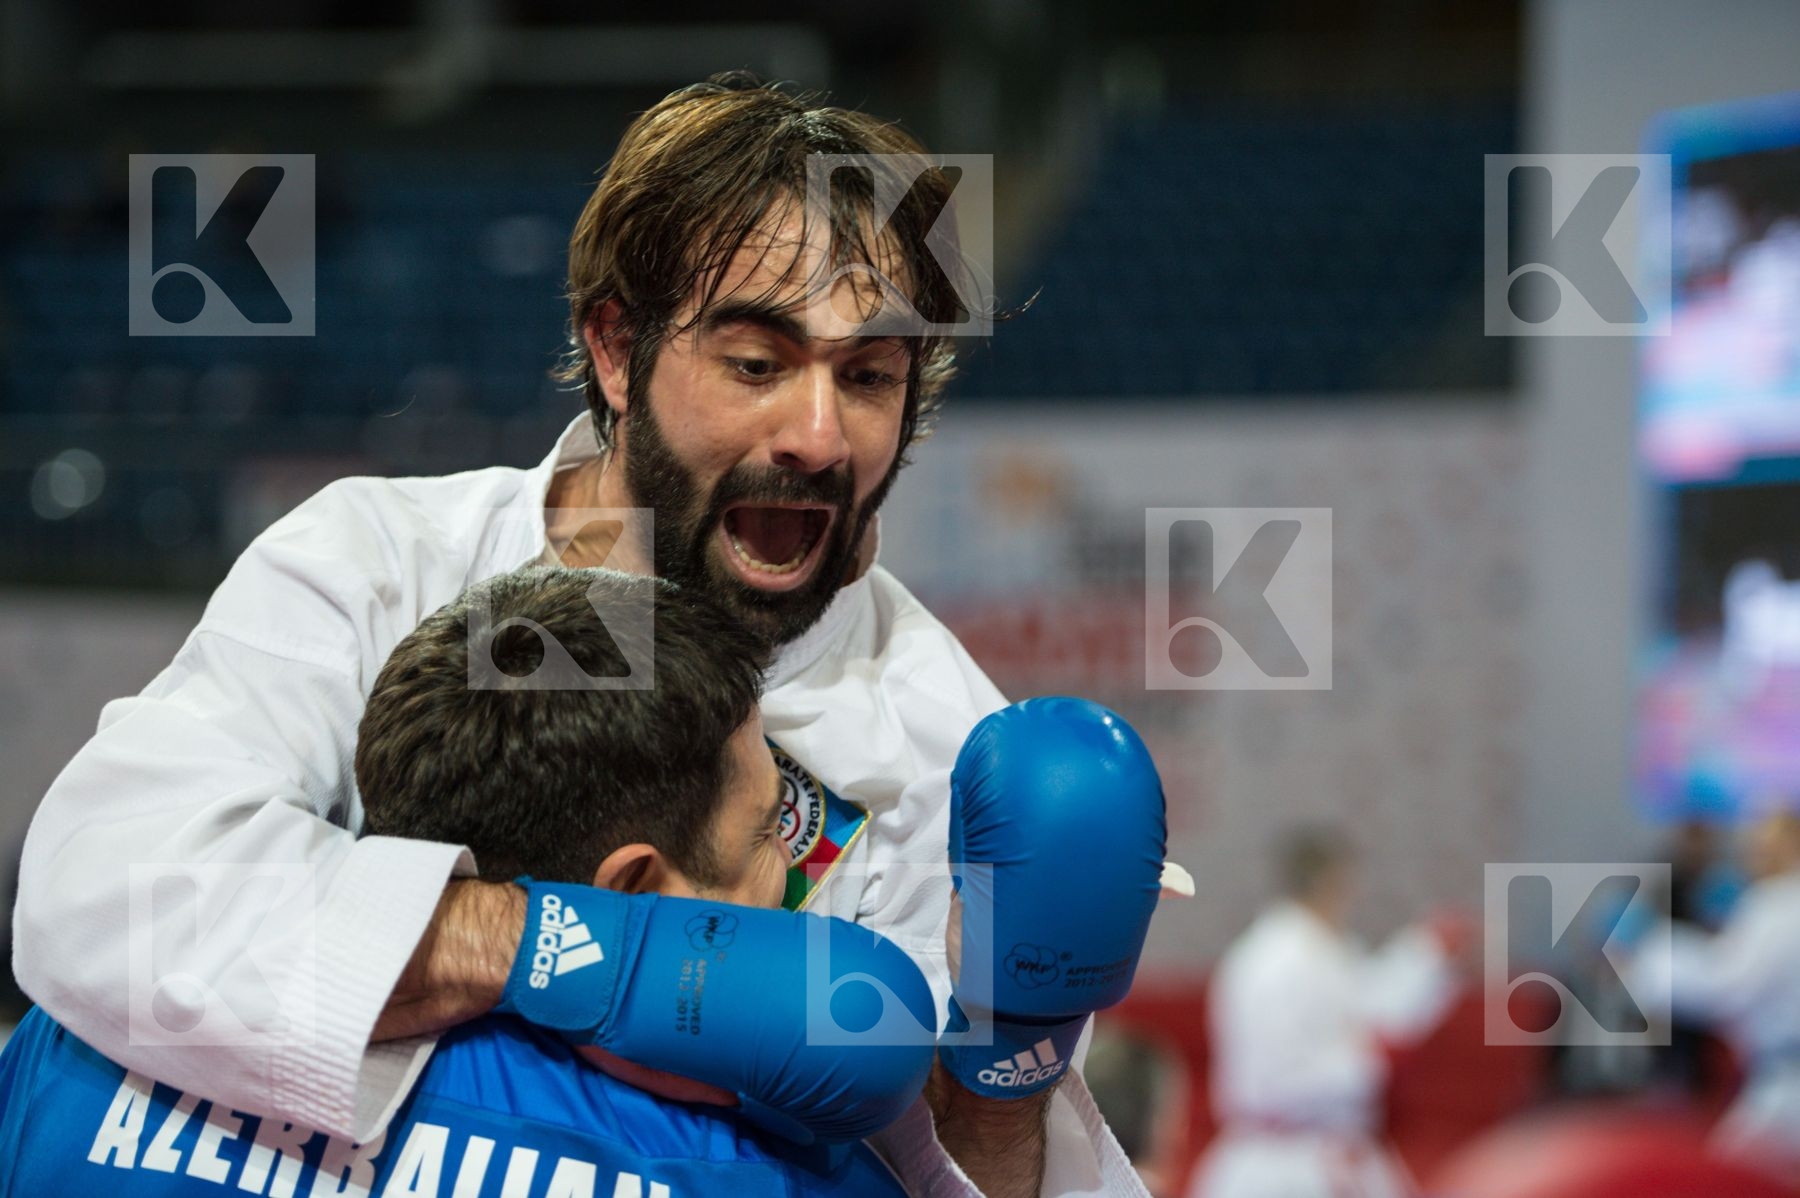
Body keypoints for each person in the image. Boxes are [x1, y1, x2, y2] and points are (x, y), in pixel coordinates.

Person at [13, 73, 1164, 1197]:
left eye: (868, 375)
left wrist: (1004, 1078)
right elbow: (101, 892)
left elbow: (951, 1168)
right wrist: (552, 947)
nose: (819, 435)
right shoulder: (374, 564)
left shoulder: (937, 744)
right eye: (757, 363)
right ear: (616, 349)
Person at [0, 566, 927, 1194]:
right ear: (634, 894)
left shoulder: (84, 1040)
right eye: (768, 832)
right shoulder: (750, 1168)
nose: (797, 864)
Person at [1188, 826, 1464, 1198]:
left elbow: (1374, 1005)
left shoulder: (1325, 948)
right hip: (1279, 1159)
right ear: (1329, 880)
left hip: (1333, 1147)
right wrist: (1369, 1063)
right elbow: (1279, 1078)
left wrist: (1426, 953)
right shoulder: (1272, 962)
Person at [1638, 808, 1800, 1182]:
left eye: (1759, 848)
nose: (1750, 858)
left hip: (1786, 1086)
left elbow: (1728, 987)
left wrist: (1651, 957)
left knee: (1722, 1178)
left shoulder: (1777, 905)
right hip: (1780, 1081)